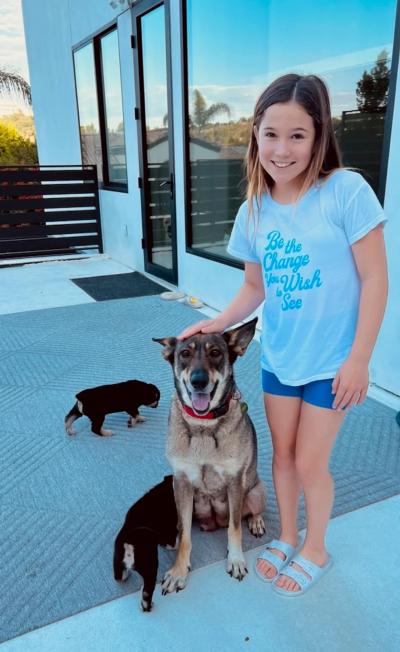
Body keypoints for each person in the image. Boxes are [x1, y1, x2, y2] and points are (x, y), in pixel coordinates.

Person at [178, 73, 388, 596]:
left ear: (319, 135)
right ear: (254, 134)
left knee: (313, 462)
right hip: (281, 359)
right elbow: (255, 286)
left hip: (331, 363)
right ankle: (288, 534)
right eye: (271, 134)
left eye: (298, 135)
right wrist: (216, 325)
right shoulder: (254, 210)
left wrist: (360, 358)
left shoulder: (346, 191)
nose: (282, 148)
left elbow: (376, 278)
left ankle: (315, 546)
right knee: (282, 456)